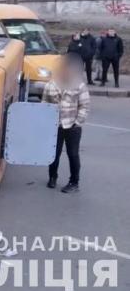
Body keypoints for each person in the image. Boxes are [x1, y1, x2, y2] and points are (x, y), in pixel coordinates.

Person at [43, 54, 90, 193]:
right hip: (55, 126)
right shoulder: (50, 85)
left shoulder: (80, 86)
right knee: (53, 154)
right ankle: (52, 177)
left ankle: (74, 182)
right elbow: (44, 104)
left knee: (73, 154)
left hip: (73, 126)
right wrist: (45, 122)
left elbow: (85, 106)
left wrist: (78, 122)